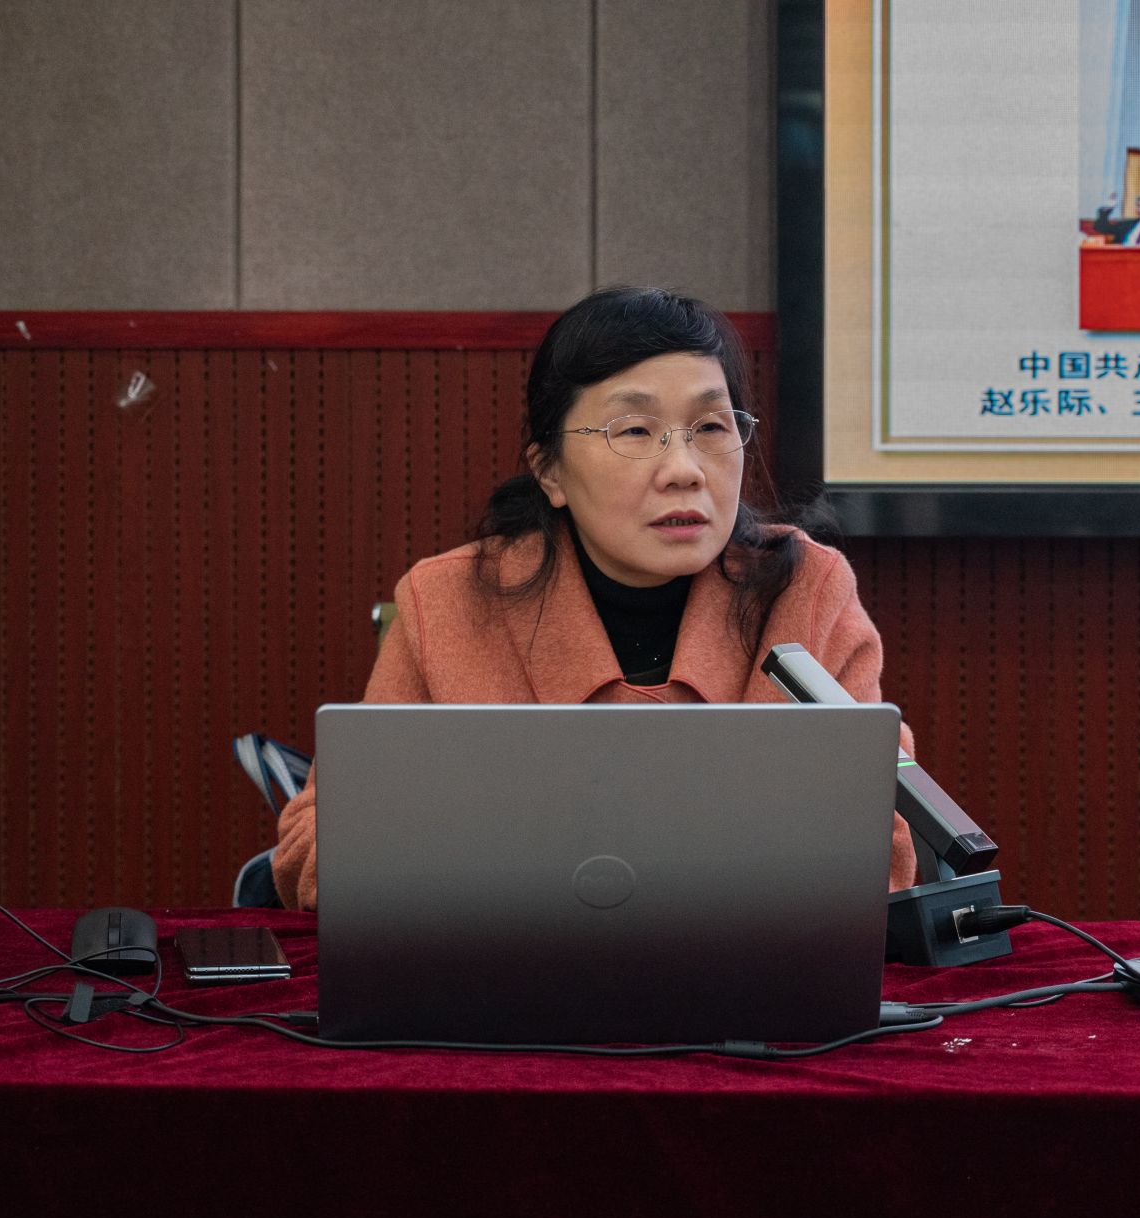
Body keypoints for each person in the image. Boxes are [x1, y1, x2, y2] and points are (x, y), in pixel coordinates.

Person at [270, 286, 921, 910]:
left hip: (745, 979)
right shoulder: (448, 601)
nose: (685, 469)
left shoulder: (806, 591)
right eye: (634, 430)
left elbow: (886, 842)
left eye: (711, 426)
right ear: (550, 470)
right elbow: (314, 849)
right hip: (510, 976)